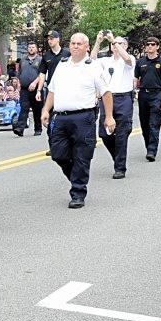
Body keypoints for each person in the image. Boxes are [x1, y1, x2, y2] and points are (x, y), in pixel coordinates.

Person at [41, 33, 114, 208]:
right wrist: (45, 109)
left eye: (79, 44)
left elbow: (106, 92)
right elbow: (52, 90)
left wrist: (109, 116)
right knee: (58, 154)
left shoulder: (93, 66)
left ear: (87, 46)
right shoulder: (62, 65)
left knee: (82, 156)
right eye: (72, 43)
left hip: (84, 117)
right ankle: (76, 178)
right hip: (60, 117)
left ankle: (78, 192)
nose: (75, 46)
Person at [90, 31, 135, 178]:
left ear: (125, 46)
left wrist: (113, 39)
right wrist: (98, 42)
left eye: (120, 43)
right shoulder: (106, 61)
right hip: (107, 99)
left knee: (122, 133)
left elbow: (127, 59)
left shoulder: (130, 60)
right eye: (113, 44)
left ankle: (120, 168)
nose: (115, 45)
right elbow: (91, 61)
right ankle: (118, 157)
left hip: (123, 98)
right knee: (104, 134)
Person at [134, 37, 161, 161]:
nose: (150, 46)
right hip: (144, 95)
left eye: (152, 44)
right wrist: (135, 89)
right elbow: (136, 79)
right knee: (145, 124)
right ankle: (149, 146)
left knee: (154, 124)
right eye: (147, 44)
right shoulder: (140, 62)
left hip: (157, 95)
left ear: (157, 46)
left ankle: (152, 150)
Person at [36, 30, 71, 152]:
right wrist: (39, 90)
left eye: (52, 38)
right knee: (50, 118)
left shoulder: (67, 54)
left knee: (66, 117)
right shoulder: (46, 56)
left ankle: (68, 143)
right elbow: (42, 74)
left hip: (66, 90)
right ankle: (52, 146)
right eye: (48, 39)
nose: (49, 41)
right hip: (51, 92)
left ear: (58, 39)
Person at [14, 41, 42, 136]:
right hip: (24, 89)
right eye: (29, 47)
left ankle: (38, 129)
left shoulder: (40, 60)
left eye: (33, 47)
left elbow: (42, 74)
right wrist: (18, 83)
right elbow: (19, 73)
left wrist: (35, 83)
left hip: (36, 89)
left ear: (36, 49)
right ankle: (20, 128)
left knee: (37, 110)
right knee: (24, 108)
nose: (31, 49)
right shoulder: (23, 60)